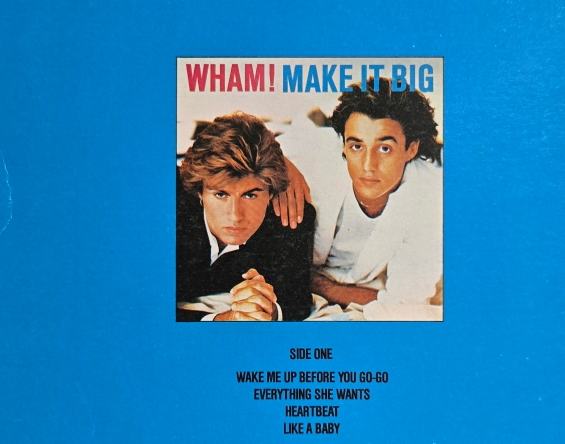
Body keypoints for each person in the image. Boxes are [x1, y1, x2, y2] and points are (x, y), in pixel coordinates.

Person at [279, 80, 442, 318]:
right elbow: (253, 141)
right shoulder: (318, 152)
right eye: (356, 146)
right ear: (343, 144)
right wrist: (282, 163)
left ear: (411, 149)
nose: (368, 165)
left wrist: (323, 287)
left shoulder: (429, 198)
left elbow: (404, 301)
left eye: (384, 148)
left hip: (356, 286)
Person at [176, 113, 315, 321]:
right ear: (199, 193)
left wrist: (268, 309)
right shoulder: (167, 208)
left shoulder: (288, 218)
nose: (235, 215)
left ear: (271, 193)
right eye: (221, 195)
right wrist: (222, 319)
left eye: (250, 195)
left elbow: (297, 301)